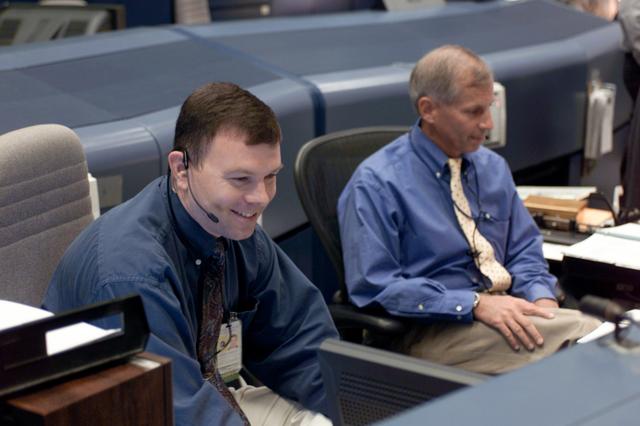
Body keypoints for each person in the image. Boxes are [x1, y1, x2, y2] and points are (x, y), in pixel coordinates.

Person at [43, 82, 338, 425]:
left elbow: (301, 342)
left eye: (270, 176)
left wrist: (357, 410)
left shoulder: (231, 227)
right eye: (241, 179)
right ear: (182, 170)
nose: (260, 197)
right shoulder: (131, 274)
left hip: (208, 395)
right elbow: (176, 411)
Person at [337, 45, 600, 375]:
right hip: (429, 330)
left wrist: (542, 302)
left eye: (489, 108)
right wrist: (474, 304)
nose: (488, 124)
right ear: (428, 109)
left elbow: (523, 251)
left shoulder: (492, 167)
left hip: (505, 312)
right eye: (473, 112)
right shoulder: (376, 183)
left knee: (601, 338)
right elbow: (376, 286)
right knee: (596, 348)